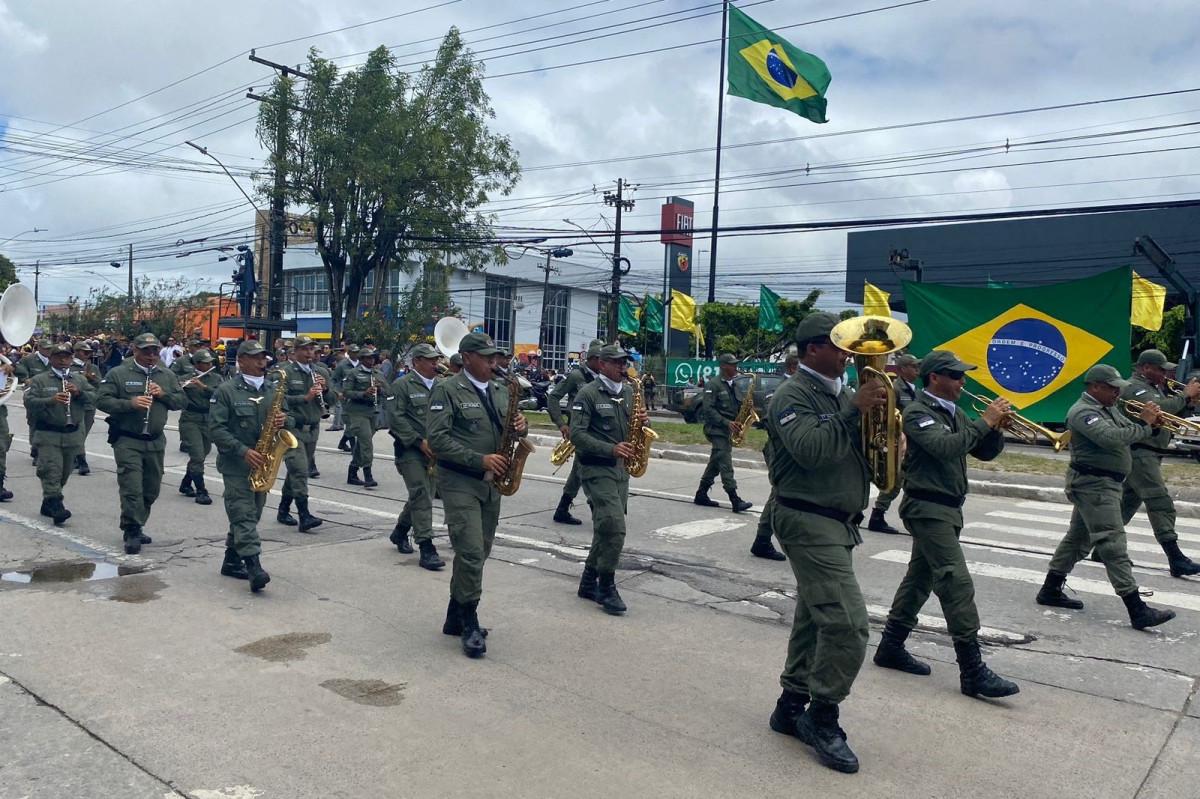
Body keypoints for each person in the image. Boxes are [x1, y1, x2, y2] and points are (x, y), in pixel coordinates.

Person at [763, 312, 886, 775]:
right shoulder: (793, 394)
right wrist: (855, 411)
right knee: (850, 626)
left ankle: (790, 706)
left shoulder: (838, 393)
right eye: (840, 346)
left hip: (838, 521)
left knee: (816, 617)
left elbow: (857, 453)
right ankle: (823, 715)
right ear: (812, 349)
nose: (849, 354)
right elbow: (812, 452)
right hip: (806, 518)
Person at [872, 350, 1019, 699]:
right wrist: (986, 420)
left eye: (962, 376)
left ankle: (890, 646)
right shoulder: (919, 412)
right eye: (955, 376)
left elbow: (983, 452)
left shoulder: (955, 412)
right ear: (935, 377)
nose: (962, 382)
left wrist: (997, 429)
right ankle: (972, 670)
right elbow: (944, 448)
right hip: (927, 508)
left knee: (919, 580)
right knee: (955, 582)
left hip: (948, 509)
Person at [1035, 364, 1176, 630]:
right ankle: (1137, 608)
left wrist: (1153, 426)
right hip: (1094, 485)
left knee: (1077, 540)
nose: (1117, 393)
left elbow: (1129, 433)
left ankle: (1050, 589)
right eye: (1112, 388)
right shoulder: (1083, 412)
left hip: (1105, 484)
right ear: (1095, 387)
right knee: (1113, 543)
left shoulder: (1108, 409)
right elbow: (1112, 438)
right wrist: (1145, 423)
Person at [426, 331, 528, 659]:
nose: (493, 363)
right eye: (486, 357)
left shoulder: (500, 389)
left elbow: (505, 429)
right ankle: (469, 619)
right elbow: (438, 440)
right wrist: (479, 459)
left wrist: (519, 427)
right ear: (467, 357)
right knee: (470, 553)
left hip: (490, 483)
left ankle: (454, 615)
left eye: (494, 357)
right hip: (459, 481)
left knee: (480, 552)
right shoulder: (447, 389)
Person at [569, 344, 649, 615]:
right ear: (602, 365)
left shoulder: (628, 392)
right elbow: (577, 435)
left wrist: (643, 423)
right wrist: (610, 449)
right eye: (615, 363)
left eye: (623, 362)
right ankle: (607, 586)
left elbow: (634, 428)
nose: (621, 367)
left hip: (620, 470)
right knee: (615, 527)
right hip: (595, 468)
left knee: (605, 527)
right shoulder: (588, 393)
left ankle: (588, 581)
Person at [209, 340, 292, 592]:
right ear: (241, 360)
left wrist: (285, 419)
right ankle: (253, 566)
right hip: (237, 464)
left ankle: (231, 561)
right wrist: (242, 451)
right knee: (243, 513)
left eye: (263, 358)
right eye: (255, 357)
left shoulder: (272, 389)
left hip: (264, 461)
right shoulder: (226, 391)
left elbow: (292, 417)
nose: (261, 362)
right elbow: (216, 428)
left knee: (252, 514)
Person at [96, 333, 186, 554]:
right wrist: (130, 403)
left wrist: (163, 394)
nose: (151, 355)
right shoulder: (119, 373)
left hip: (155, 440)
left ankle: (137, 520)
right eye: (146, 351)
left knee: (151, 489)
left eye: (155, 351)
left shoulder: (166, 374)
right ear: (135, 350)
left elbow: (181, 401)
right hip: (128, 439)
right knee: (132, 487)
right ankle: (131, 528)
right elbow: (101, 400)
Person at [1116, 349, 1200, 576]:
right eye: (1161, 369)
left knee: (1125, 505)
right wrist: (1185, 395)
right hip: (1140, 453)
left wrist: (1187, 400)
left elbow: (1168, 416)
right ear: (1145, 368)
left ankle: (1102, 548)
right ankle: (1176, 558)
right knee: (1160, 502)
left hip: (1150, 453)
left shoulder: (1155, 388)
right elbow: (1160, 410)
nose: (1166, 373)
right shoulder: (1135, 387)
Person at [386, 343, 445, 570]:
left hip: (436, 452)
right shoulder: (402, 385)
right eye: (430, 360)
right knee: (421, 493)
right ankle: (426, 547)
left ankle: (400, 531)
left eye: (436, 359)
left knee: (424, 496)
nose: (435, 364)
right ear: (417, 361)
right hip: (410, 450)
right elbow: (395, 418)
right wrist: (419, 442)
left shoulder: (442, 386)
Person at [23, 343, 94, 526]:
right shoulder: (40, 380)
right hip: (48, 433)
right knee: (51, 471)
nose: (63, 360)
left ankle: (48, 502)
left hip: (72, 433)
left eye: (67, 357)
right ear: (51, 359)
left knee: (64, 472)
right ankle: (56, 505)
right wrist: (51, 400)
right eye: (59, 357)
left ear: (71, 359)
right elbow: (29, 401)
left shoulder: (78, 379)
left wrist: (78, 393)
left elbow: (95, 398)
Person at [546, 340, 603, 525]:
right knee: (584, 470)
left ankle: (562, 509)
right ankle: (598, 512)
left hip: (598, 432)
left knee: (580, 471)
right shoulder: (576, 376)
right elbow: (554, 397)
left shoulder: (604, 378)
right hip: (580, 431)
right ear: (594, 359)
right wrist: (561, 424)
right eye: (602, 360)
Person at [277, 336, 331, 531]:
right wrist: (304, 397)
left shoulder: (321, 371)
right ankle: (304, 515)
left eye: (311, 349)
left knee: (296, 472)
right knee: (300, 470)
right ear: (295, 351)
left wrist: (324, 390)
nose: (309, 353)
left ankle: (283, 509)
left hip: (312, 428)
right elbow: (276, 399)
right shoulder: (284, 372)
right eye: (305, 349)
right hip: (292, 428)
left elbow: (333, 398)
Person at [866, 353, 921, 535]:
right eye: (913, 366)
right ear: (902, 369)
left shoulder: (916, 390)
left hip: (914, 444)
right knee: (896, 481)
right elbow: (888, 415)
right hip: (899, 442)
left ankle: (910, 517)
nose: (917, 370)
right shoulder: (895, 389)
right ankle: (877, 515)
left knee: (910, 481)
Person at [749, 355, 798, 562]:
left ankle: (766, 539)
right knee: (780, 493)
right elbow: (773, 421)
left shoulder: (795, 386)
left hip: (789, 449)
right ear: (794, 367)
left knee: (785, 494)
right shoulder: (784, 388)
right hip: (781, 449)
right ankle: (762, 540)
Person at [694, 353, 752, 512]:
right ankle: (735, 499)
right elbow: (708, 410)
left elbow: (739, 406)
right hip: (717, 430)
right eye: (732, 365)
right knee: (725, 463)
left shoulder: (734, 385)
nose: (736, 367)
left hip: (729, 430)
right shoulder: (713, 385)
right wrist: (727, 423)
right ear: (723, 366)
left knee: (716, 462)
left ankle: (701, 494)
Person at [177, 349, 222, 506]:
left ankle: (186, 483)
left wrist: (203, 387)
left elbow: (220, 396)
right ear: (197, 364)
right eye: (205, 362)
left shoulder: (216, 378)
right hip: (190, 419)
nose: (209, 364)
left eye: (210, 362)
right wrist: (182, 387)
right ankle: (201, 490)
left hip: (208, 419)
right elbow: (175, 397)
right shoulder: (185, 378)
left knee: (204, 452)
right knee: (197, 456)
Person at [342, 346, 384, 487]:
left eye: (372, 358)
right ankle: (368, 474)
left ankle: (352, 471)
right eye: (367, 358)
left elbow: (389, 391)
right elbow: (346, 392)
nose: (371, 360)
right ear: (361, 359)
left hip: (372, 411)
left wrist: (380, 389)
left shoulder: (377, 373)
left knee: (361, 444)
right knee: (366, 442)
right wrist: (363, 393)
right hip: (357, 412)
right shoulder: (353, 373)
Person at [15, 338, 52, 461]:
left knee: (50, 420)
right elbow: (19, 370)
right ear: (39, 348)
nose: (48, 350)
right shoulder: (28, 360)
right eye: (46, 348)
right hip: (34, 394)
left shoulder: (54, 360)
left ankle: (45, 448)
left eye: (50, 348)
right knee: (35, 421)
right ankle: (35, 448)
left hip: (51, 394)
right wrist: (26, 378)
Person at [72, 340, 100, 475]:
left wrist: (91, 377)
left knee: (84, 432)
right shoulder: (69, 366)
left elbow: (100, 384)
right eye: (85, 352)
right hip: (75, 404)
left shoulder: (93, 367)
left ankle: (75, 456)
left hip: (89, 404)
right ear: (76, 352)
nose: (87, 355)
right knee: (78, 431)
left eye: (89, 352)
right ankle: (81, 460)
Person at [329, 343, 359, 441]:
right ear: (349, 353)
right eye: (353, 352)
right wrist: (337, 392)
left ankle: (342, 442)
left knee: (356, 422)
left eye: (357, 352)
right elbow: (333, 380)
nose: (355, 354)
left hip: (359, 396)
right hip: (346, 397)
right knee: (350, 421)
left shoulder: (361, 364)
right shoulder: (342, 365)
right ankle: (353, 447)